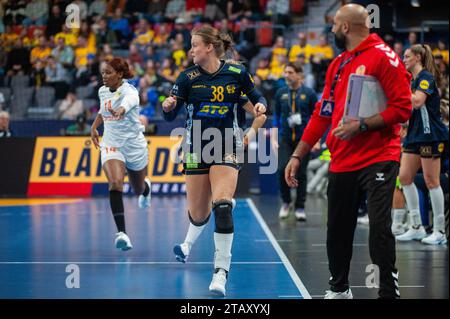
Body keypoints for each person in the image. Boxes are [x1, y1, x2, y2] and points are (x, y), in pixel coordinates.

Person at [284, 4, 412, 299]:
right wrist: (297, 155)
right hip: (342, 159)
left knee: (379, 228)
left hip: (380, 155)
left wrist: (362, 126)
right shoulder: (338, 63)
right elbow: (322, 113)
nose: (330, 31)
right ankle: (339, 289)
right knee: (337, 230)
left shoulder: (385, 58)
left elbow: (403, 108)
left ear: (345, 28)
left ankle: (387, 292)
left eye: (333, 26)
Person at [162, 25, 267, 296]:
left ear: (209, 47)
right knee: (199, 214)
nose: (190, 50)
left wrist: (258, 110)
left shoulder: (236, 73)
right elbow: (170, 117)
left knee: (222, 206)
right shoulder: (186, 77)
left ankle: (220, 272)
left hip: (226, 144)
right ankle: (189, 240)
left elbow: (258, 100)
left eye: (194, 45)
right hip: (196, 145)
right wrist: (169, 107)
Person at [90, 57, 152, 251]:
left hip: (134, 145)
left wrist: (121, 110)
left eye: (108, 73)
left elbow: (128, 102)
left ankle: (146, 189)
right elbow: (102, 110)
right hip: (111, 144)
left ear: (119, 74)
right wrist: (94, 127)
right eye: (103, 73)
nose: (104, 76)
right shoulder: (102, 91)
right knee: (115, 182)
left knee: (138, 188)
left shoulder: (130, 91)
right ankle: (122, 233)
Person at [396, 45, 449, 245]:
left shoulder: (426, 78)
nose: (404, 59)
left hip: (430, 135)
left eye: (407, 56)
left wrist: (397, 93)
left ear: (418, 57)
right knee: (404, 178)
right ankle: (416, 227)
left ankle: (439, 231)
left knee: (431, 181)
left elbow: (417, 101)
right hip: (415, 134)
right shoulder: (411, 80)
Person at [272, 62, 317, 221]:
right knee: (282, 169)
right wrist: (274, 135)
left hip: (303, 140)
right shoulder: (280, 93)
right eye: (285, 72)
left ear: (299, 74)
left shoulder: (309, 93)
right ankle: (286, 202)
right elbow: (276, 116)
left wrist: (315, 139)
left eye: (290, 72)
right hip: (285, 138)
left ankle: (300, 206)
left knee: (302, 174)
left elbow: (315, 117)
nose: (287, 75)